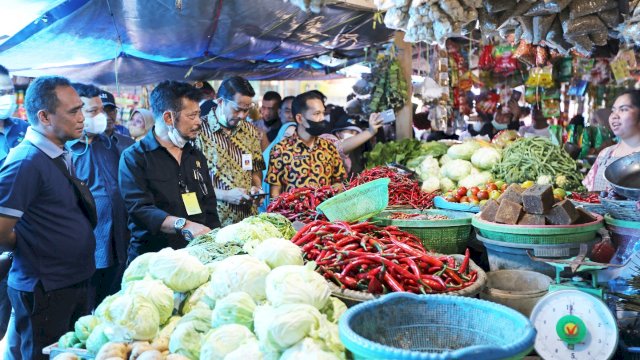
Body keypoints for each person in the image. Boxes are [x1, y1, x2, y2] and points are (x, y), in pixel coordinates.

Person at [0, 76, 96, 360]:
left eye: (81, 109)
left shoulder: (57, 152)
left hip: (72, 281)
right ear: (44, 116)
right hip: (47, 289)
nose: (82, 118)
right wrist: (28, 243)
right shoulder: (26, 162)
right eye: (73, 111)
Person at [119, 80, 220, 262]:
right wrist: (183, 225)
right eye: (192, 116)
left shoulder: (195, 155)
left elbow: (209, 205)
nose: (199, 121)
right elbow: (140, 209)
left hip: (196, 256)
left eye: (199, 114)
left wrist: (216, 243)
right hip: (152, 257)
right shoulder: (135, 157)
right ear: (168, 118)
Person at [70, 83, 129, 308]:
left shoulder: (109, 145)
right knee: (85, 309)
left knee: (109, 304)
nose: (100, 116)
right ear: (76, 113)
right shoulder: (68, 151)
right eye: (92, 111)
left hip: (118, 240)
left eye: (101, 110)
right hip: (89, 246)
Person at [195, 76, 265, 226]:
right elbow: (193, 183)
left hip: (247, 221)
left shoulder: (250, 131)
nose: (243, 116)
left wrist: (257, 188)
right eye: (237, 109)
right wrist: (225, 195)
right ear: (220, 101)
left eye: (247, 110)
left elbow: (256, 169)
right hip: (212, 221)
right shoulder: (198, 131)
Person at [266, 91, 346, 198]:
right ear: (299, 118)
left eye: (323, 113)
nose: (322, 118)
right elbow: (275, 192)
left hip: (324, 213)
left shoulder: (329, 147)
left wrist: (334, 191)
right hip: (292, 214)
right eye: (317, 114)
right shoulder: (280, 150)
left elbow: (338, 182)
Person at [0, 64, 28, 343]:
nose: (5, 98)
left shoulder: (23, 129)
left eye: (8, 91)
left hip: (24, 244)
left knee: (18, 322)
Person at [583, 89, 640, 191]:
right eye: (613, 110)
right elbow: (589, 196)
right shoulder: (605, 154)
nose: (614, 116)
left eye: (623, 109)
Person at [260, 122, 297, 211]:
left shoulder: (298, 159)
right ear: (280, 136)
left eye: (294, 137)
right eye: (286, 136)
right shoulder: (266, 157)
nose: (288, 141)